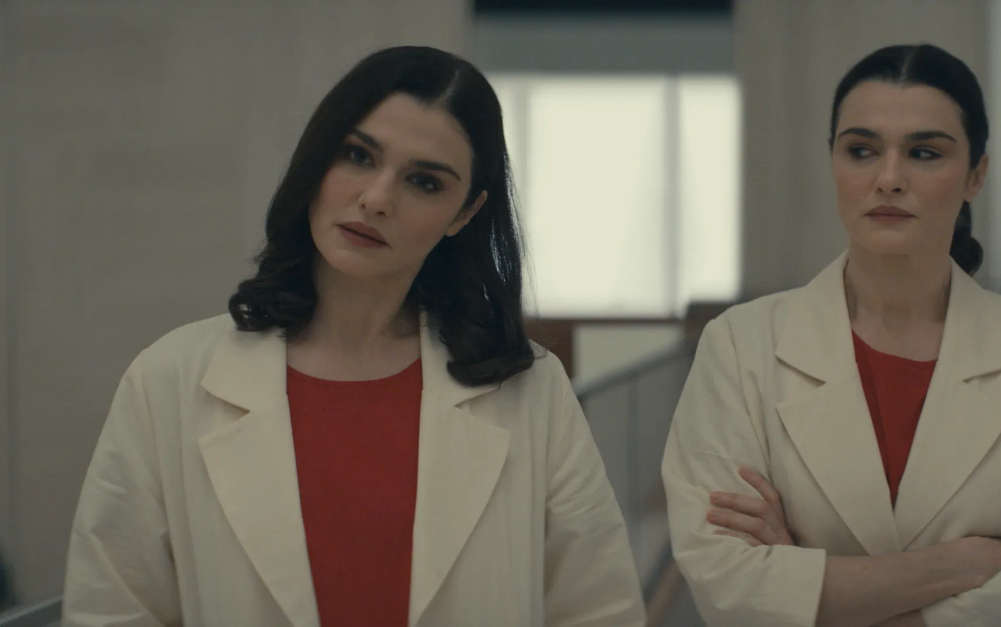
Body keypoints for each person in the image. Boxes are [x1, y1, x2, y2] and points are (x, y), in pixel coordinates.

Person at [63, 46, 646, 627]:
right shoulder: (168, 381)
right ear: (317, 159)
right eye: (358, 156)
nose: (376, 199)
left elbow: (598, 610)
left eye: (423, 182)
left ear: (465, 214)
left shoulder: (528, 391)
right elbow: (112, 609)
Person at [662, 44, 1001, 627]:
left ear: (977, 173)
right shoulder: (739, 347)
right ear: (833, 163)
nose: (889, 178)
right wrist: (961, 565)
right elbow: (727, 585)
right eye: (861, 150)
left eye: (924, 153)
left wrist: (803, 576)